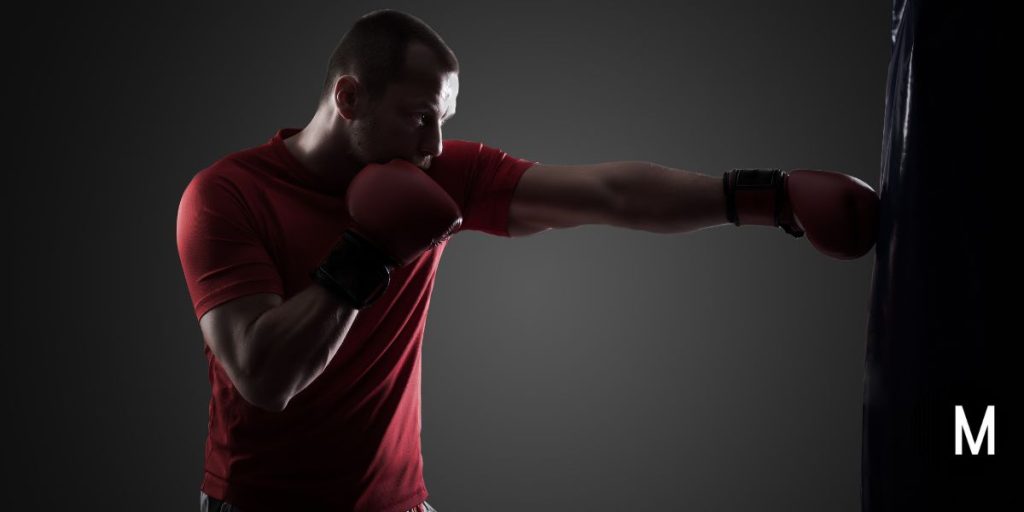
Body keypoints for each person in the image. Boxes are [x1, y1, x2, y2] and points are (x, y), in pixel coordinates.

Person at [176, 9, 878, 512]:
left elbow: (610, 193)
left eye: (445, 119)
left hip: (396, 504)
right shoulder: (228, 196)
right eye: (421, 116)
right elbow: (265, 375)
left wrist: (766, 197)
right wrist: (367, 251)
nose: (437, 146)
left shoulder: (432, 173)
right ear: (349, 97)